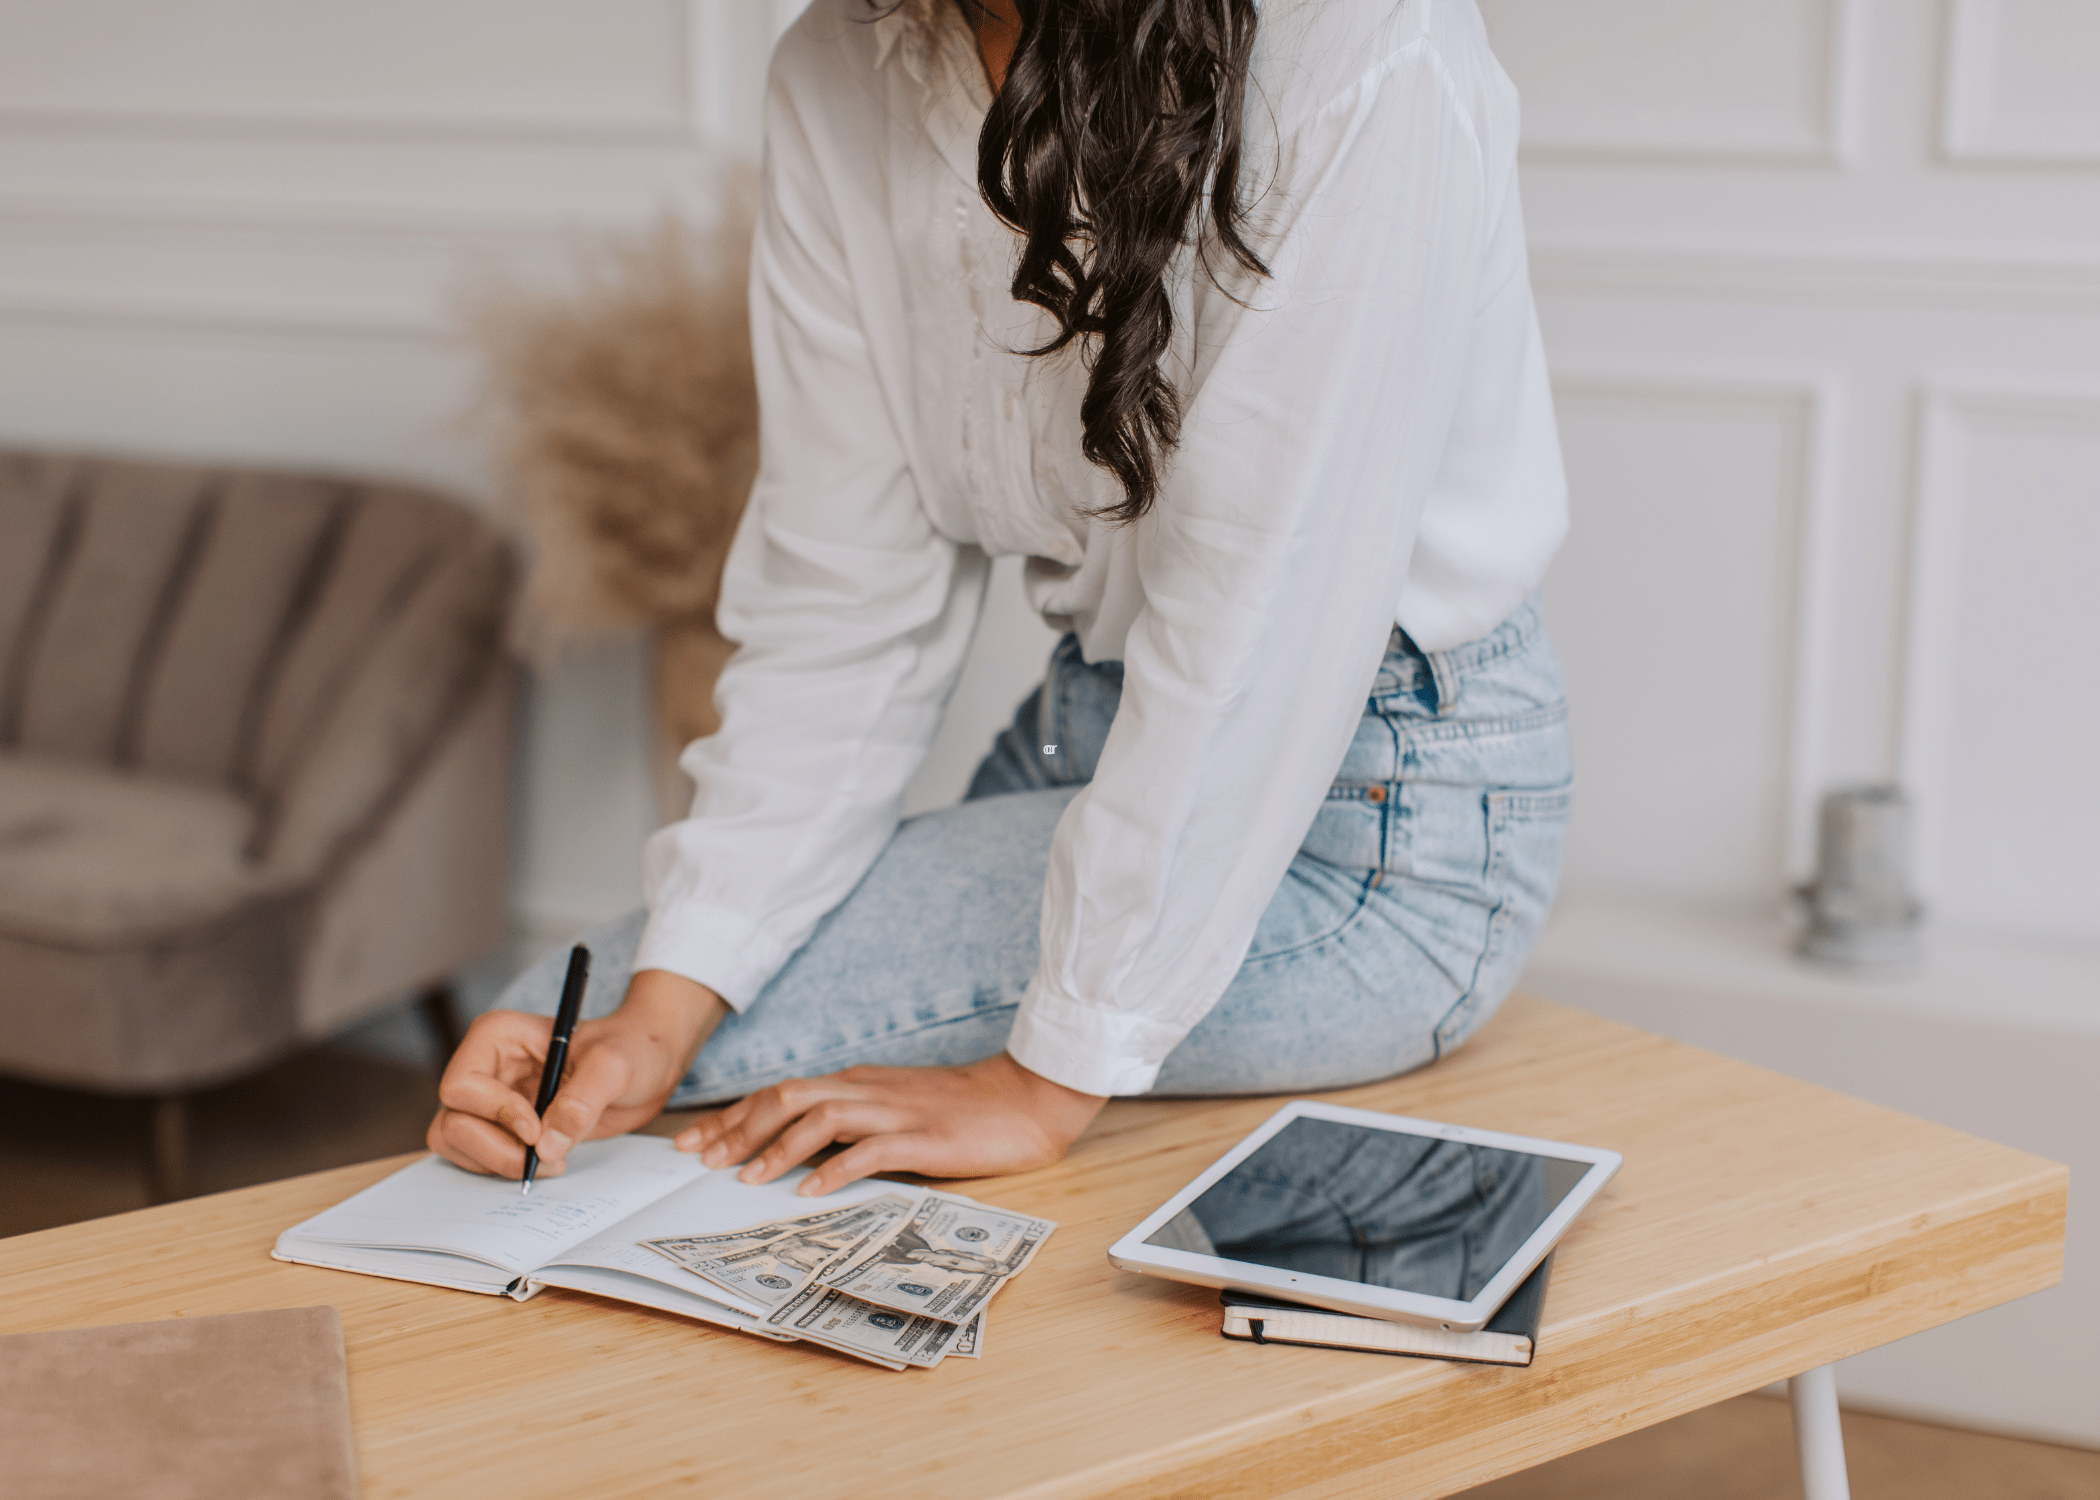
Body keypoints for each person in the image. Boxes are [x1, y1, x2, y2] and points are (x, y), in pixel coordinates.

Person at [429, 0, 1573, 1199]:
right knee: (585, 1046)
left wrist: (1043, 1086)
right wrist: (665, 1006)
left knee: (568, 1045)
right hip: (1091, 740)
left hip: (1380, 836)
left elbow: (1262, 620)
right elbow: (843, 602)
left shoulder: (1359, 41)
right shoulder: (838, 69)